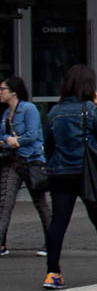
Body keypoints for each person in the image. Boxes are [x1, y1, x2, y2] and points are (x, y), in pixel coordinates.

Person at [40, 65, 97, 289]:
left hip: (60, 173)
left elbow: (49, 147)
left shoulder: (54, 111)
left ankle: (53, 273)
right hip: (87, 173)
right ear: (88, 86)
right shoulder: (89, 109)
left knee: (58, 224)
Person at [0, 77, 49, 258]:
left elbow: (33, 134)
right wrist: (8, 141)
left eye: (2, 89)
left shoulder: (29, 109)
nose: (0, 92)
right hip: (12, 161)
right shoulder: (6, 114)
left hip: (31, 160)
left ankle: (52, 242)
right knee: (5, 203)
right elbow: (3, 136)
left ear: (14, 91)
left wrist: (15, 142)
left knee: (40, 203)